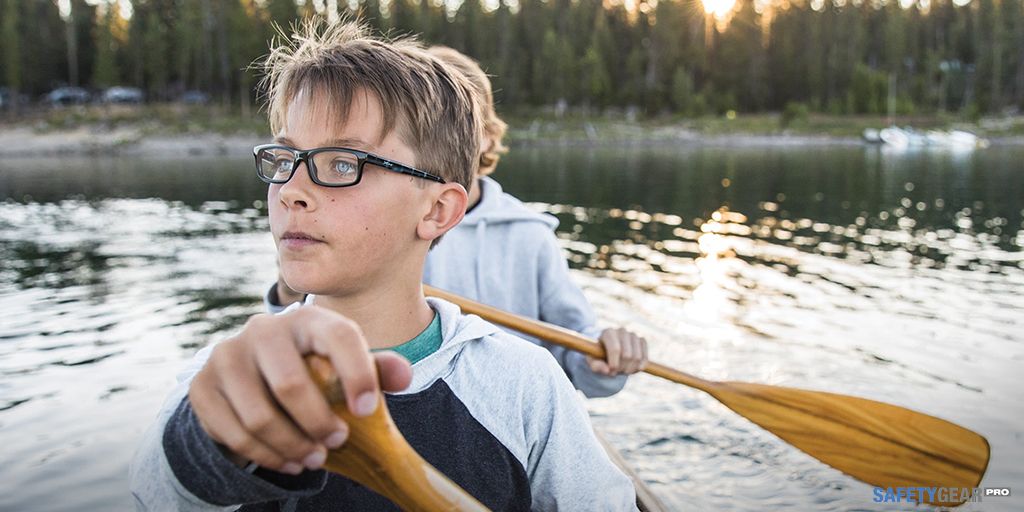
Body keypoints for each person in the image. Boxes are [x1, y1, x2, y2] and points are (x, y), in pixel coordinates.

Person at [129, 18, 636, 511]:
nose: (291, 192)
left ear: (438, 211)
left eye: (344, 164)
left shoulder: (524, 383)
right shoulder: (231, 374)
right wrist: (208, 444)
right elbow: (158, 494)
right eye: (284, 161)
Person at [268, 46, 649, 399]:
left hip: (505, 403)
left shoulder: (528, 233)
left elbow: (578, 349)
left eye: (471, 122)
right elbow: (313, 312)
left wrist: (601, 358)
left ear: (485, 136)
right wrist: (289, 290)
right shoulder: (389, 229)